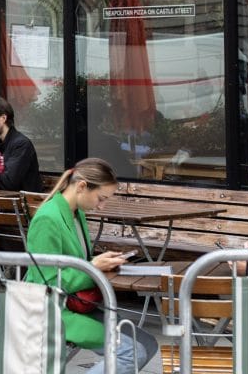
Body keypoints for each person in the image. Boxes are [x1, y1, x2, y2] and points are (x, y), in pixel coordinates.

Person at [24, 158, 157, 374]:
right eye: (101, 198)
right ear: (82, 186)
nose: (102, 206)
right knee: (133, 351)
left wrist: (99, 264)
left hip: (77, 304)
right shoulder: (48, 218)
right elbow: (45, 281)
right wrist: (94, 266)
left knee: (147, 344)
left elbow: (75, 263)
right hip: (53, 311)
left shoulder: (75, 213)